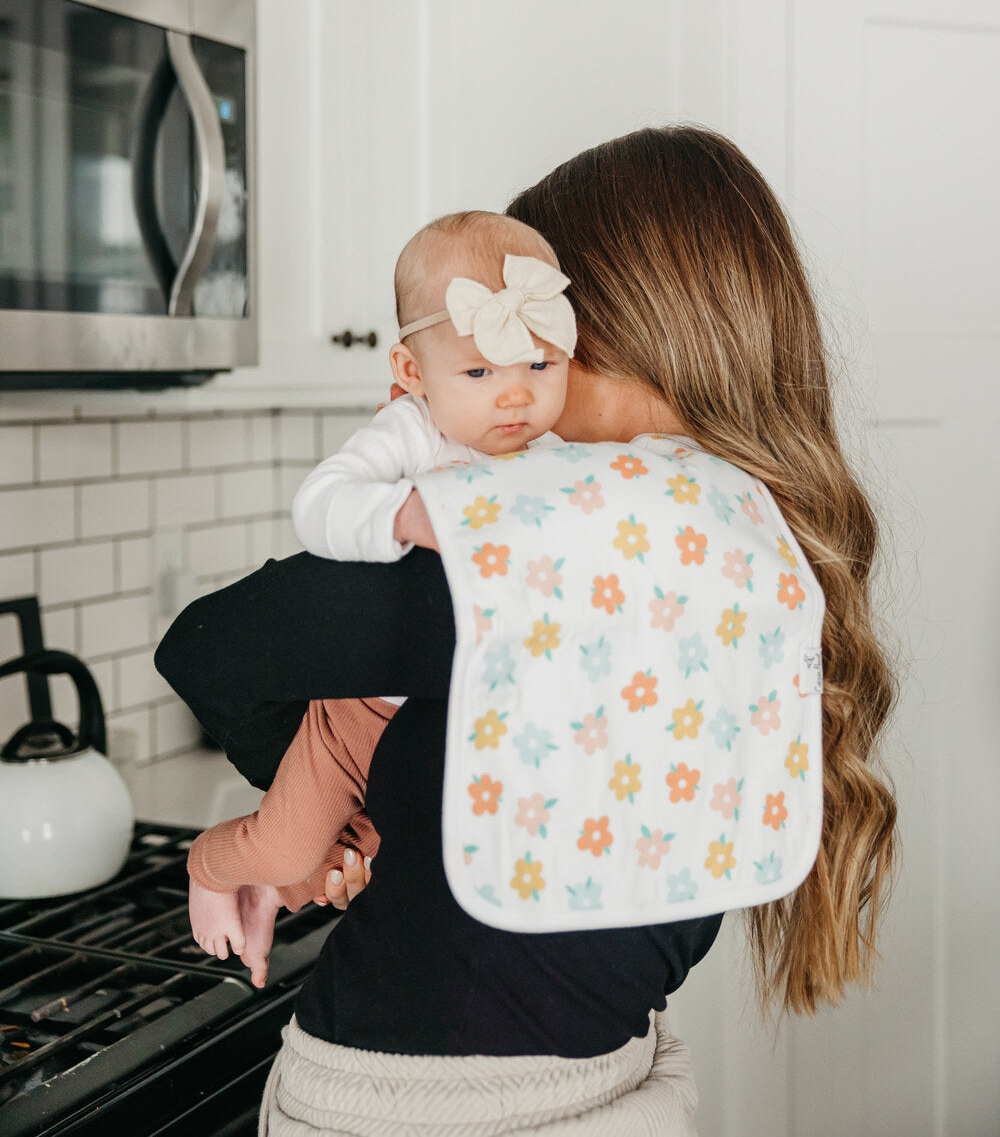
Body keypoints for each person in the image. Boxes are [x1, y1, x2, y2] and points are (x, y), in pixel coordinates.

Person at [157, 126, 898, 1135]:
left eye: (531, 343)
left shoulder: (531, 559)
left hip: (413, 1112)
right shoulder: (759, 554)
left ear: (612, 339)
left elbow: (206, 646)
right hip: (620, 1086)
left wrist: (286, 817)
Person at [186, 211, 575, 984]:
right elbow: (320, 501)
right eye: (479, 373)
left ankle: (273, 891)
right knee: (289, 847)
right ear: (408, 369)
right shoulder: (412, 431)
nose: (515, 397)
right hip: (355, 714)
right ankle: (210, 864)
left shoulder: (558, 459)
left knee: (352, 872)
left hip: (452, 720)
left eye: (540, 366)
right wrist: (402, 513)